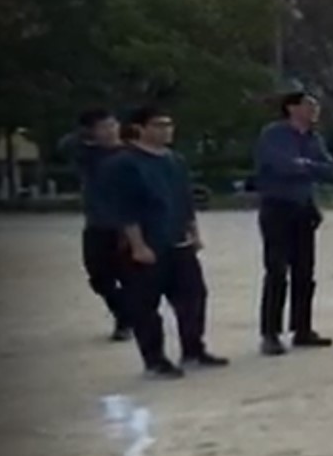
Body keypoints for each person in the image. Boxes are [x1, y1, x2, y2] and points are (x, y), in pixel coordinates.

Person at [100, 107, 225, 379]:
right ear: (140, 128)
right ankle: (155, 360)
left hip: (178, 241)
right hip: (147, 243)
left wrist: (193, 233)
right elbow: (125, 208)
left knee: (193, 297)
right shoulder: (124, 163)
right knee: (146, 305)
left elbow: (185, 200)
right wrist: (137, 245)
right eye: (158, 125)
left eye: (169, 124)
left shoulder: (174, 160)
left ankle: (193, 349)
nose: (167, 130)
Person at [253, 91, 333, 356]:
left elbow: (330, 169)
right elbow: (281, 165)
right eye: (309, 105)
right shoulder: (274, 134)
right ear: (291, 108)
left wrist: (305, 164)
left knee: (304, 272)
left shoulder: (314, 138)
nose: (315, 110)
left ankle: (302, 328)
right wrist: (308, 166)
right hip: (277, 207)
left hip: (304, 209)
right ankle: (270, 333)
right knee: (277, 271)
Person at [61, 108, 132, 340]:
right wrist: (84, 134)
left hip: (128, 225)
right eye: (103, 127)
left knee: (129, 275)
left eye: (113, 125)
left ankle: (126, 322)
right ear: (92, 132)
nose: (111, 131)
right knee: (99, 277)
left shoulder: (131, 154)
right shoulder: (88, 155)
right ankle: (124, 312)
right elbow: (65, 145)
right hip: (98, 224)